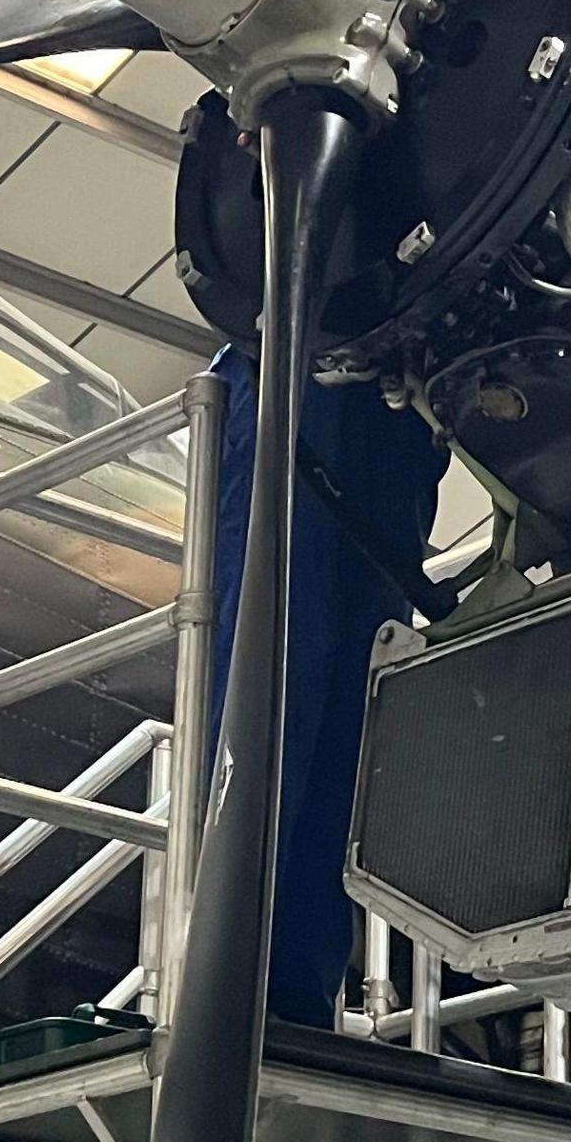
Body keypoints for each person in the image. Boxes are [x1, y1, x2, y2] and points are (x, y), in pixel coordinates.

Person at [202, 340, 448, 1029]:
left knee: (355, 718)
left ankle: (298, 1004)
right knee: (276, 680)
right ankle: (229, 995)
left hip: (404, 396)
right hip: (294, 358)